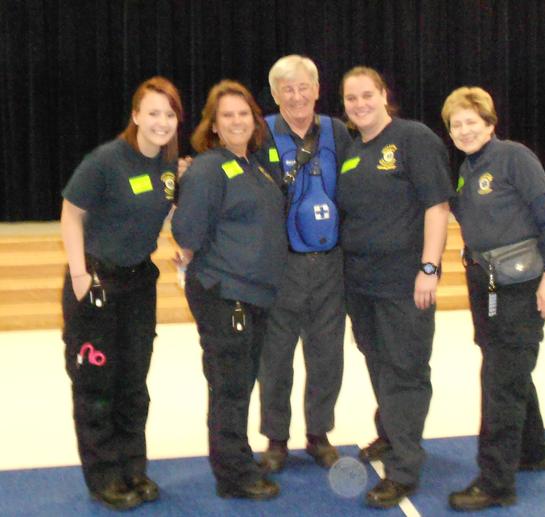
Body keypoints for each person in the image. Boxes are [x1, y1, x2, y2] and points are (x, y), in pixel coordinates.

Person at [60, 76, 183, 510]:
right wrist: (79, 276)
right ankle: (105, 476)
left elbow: (165, 213)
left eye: (169, 114)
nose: (161, 121)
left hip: (138, 285)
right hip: (95, 283)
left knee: (134, 384)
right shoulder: (106, 160)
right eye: (153, 112)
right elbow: (71, 215)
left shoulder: (168, 167)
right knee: (97, 384)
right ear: (135, 115)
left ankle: (133, 467)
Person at [441, 86, 545, 511]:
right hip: (485, 283)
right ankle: (532, 452)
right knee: (509, 371)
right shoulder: (467, 168)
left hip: (520, 285)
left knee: (499, 382)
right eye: (456, 125)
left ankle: (496, 482)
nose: (463, 131)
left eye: (471, 123)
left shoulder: (514, 157)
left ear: (490, 124)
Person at [338, 66, 452, 509]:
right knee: (378, 361)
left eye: (367, 95)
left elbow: (437, 207)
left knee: (405, 370)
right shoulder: (351, 150)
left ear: (384, 94)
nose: (360, 104)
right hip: (361, 284)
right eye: (351, 98)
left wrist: (429, 267)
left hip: (405, 282)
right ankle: (389, 435)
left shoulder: (413, 138)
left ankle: (405, 469)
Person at [172, 80, 287, 500]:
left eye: (244, 113)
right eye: (228, 115)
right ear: (214, 125)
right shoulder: (208, 168)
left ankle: (236, 456)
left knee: (239, 383)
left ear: (254, 120)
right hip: (226, 296)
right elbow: (186, 230)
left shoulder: (254, 164)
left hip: (255, 295)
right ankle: (233, 477)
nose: (237, 121)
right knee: (230, 387)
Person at [256, 55, 352, 472]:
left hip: (330, 263)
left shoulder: (340, 133)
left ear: (317, 89)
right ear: (275, 94)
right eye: (286, 89)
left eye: (303, 87)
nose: (296, 96)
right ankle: (276, 439)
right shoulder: (259, 134)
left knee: (327, 353)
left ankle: (319, 434)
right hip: (281, 266)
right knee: (274, 356)